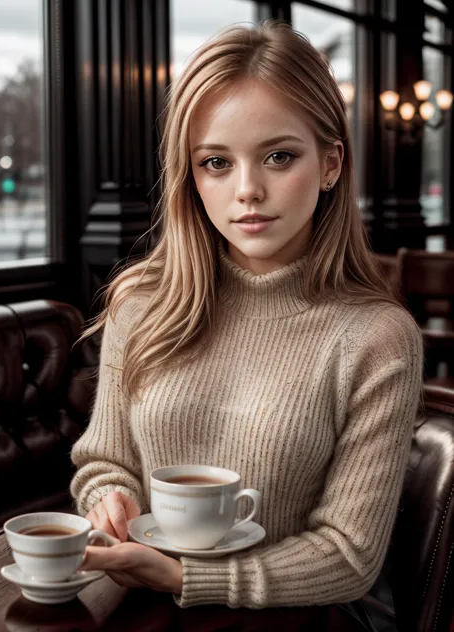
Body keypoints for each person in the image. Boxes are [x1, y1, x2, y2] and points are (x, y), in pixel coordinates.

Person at [70, 19, 423, 625]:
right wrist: (109, 498)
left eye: (278, 157)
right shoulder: (141, 303)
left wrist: (187, 576)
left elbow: (350, 554)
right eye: (216, 162)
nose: (248, 191)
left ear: (331, 163)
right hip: (136, 610)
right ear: (192, 175)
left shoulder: (378, 337)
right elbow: (103, 462)